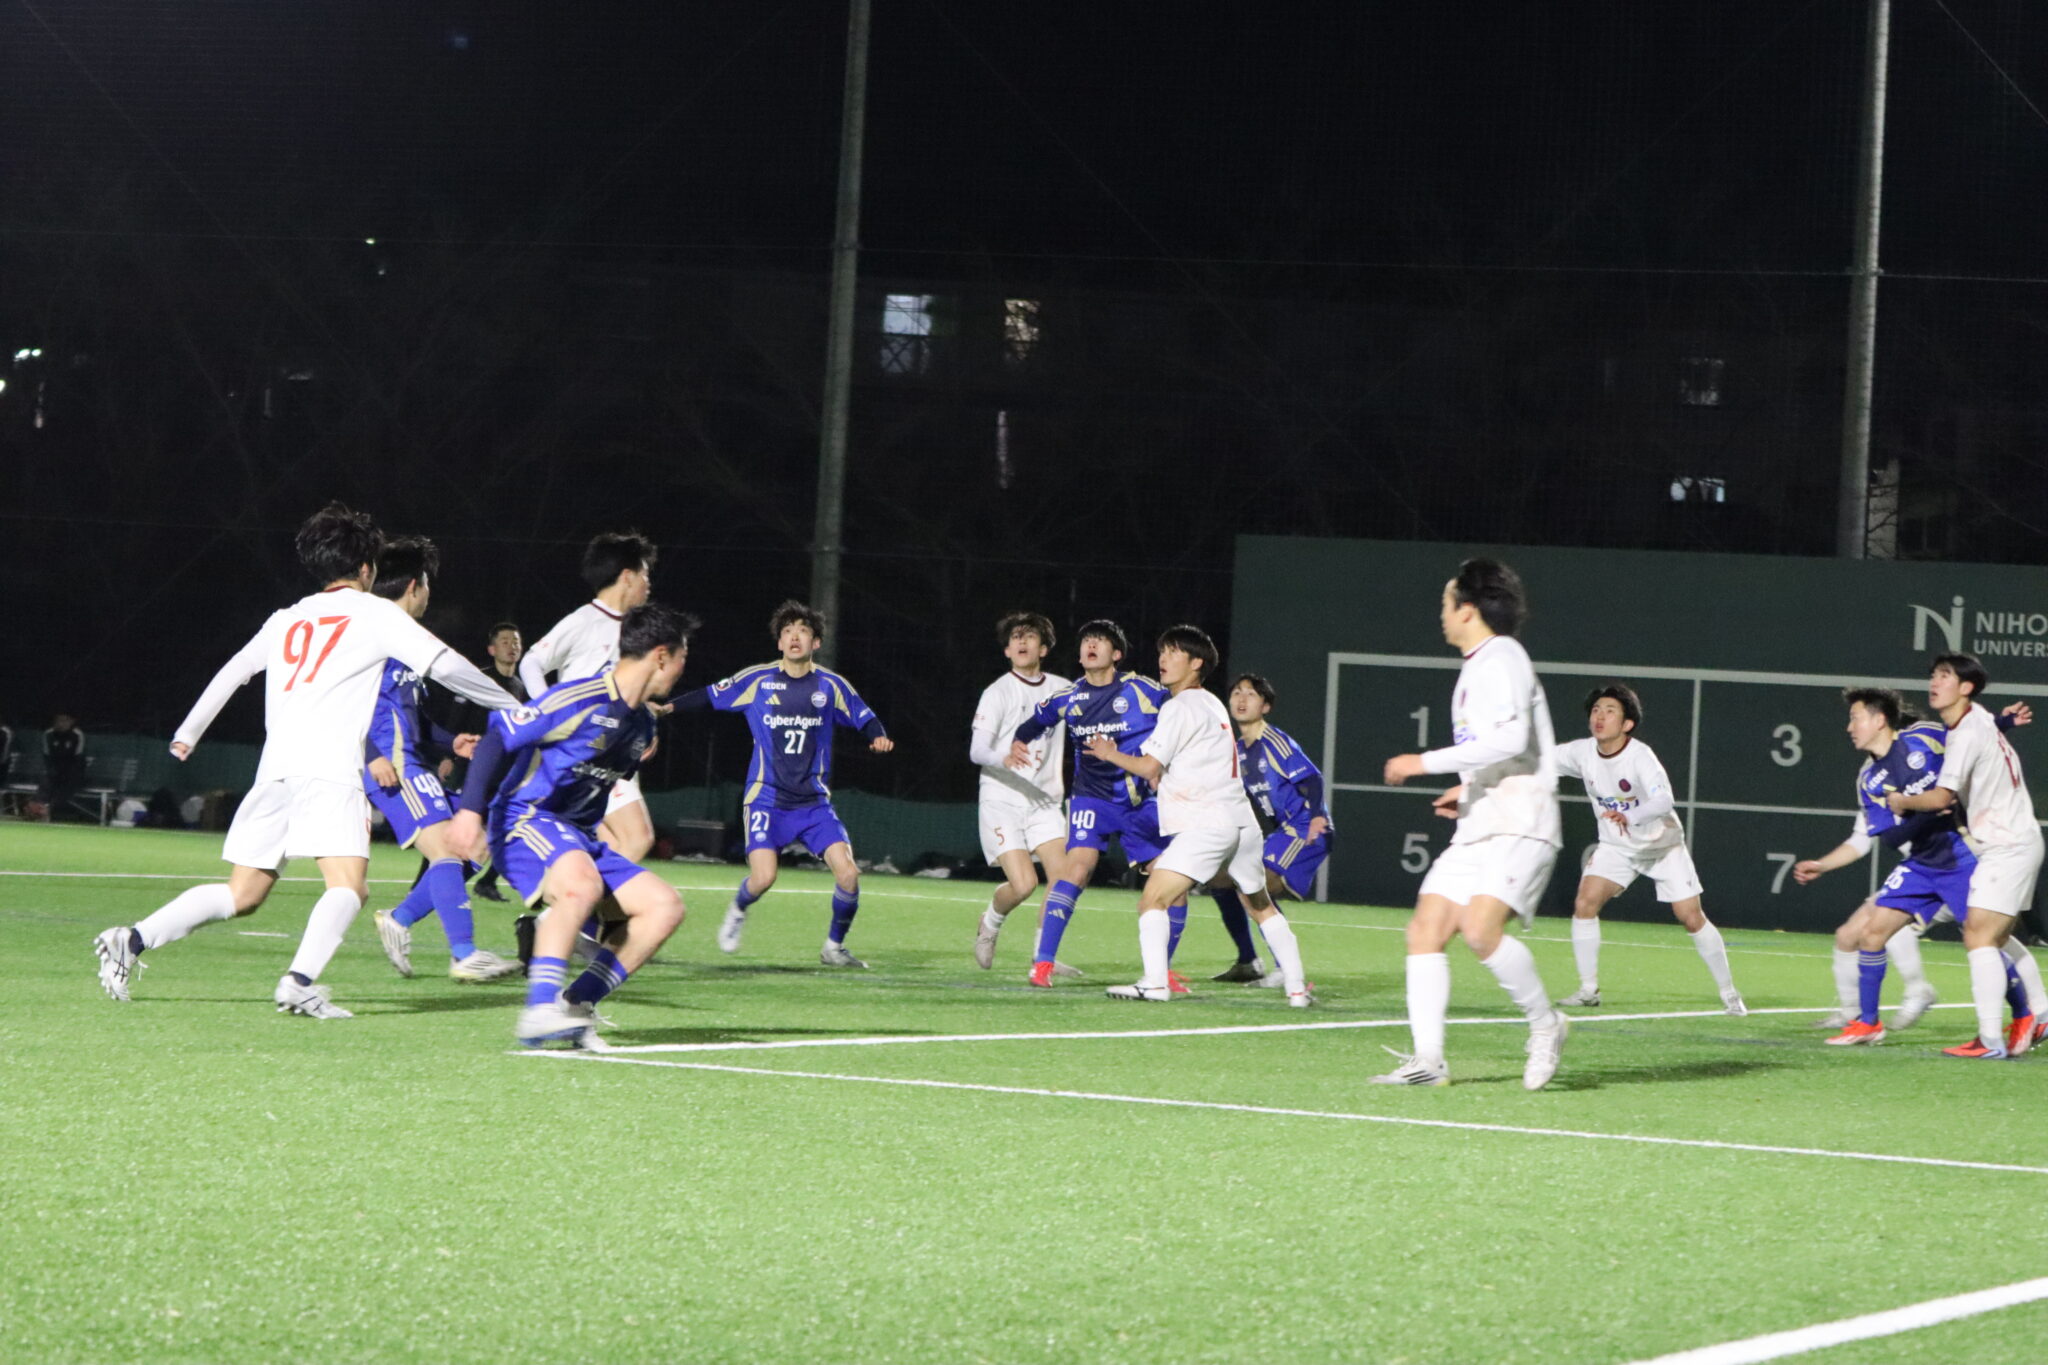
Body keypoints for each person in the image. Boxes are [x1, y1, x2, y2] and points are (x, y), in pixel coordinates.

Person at [92, 504, 517, 1017]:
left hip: (275, 770)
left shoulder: (287, 617)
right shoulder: (376, 613)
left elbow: (235, 670)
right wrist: (519, 709)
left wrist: (189, 732)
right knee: (349, 886)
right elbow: (446, 667)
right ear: (367, 568)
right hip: (329, 770)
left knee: (243, 893)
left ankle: (131, 939)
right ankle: (298, 984)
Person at [448, 603, 696, 1048]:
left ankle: (576, 1005)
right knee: (581, 886)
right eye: (682, 657)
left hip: (576, 835)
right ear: (661, 656)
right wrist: (470, 811)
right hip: (525, 819)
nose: (683, 668)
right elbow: (499, 735)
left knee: (664, 907)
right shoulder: (580, 698)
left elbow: (595, 790)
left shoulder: (640, 724)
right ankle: (538, 1010)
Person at [1376, 558, 1568, 1090]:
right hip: (1482, 820)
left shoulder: (1503, 656)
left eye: (1446, 602)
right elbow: (1507, 747)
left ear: (1467, 609)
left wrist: (1422, 762)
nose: (1441, 613)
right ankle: (1429, 1061)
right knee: (1425, 930)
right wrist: (1467, 788)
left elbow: (1511, 739)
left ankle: (1546, 1024)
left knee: (1481, 931)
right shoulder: (1480, 664)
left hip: (1522, 821)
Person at [1793, 687, 2035, 1047]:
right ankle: (1868, 1024)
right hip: (1921, 864)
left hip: (1961, 857)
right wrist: (1925, 810)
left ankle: (2024, 1016)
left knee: (1984, 943)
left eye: (1855, 718)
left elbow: (1968, 739)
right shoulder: (1869, 780)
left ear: (1879, 720)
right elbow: (1891, 837)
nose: (1849, 727)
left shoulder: (1922, 736)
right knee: (1871, 933)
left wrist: (2002, 722)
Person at [1085, 628, 1311, 1005]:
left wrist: (1110, 754)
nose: (1163, 659)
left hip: (1208, 824)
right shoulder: (1211, 703)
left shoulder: (1179, 706)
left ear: (1196, 664)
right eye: (1162, 651)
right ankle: (1297, 988)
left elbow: (1148, 765)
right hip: (1243, 824)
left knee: (1152, 900)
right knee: (1260, 906)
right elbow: (1188, 761)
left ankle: (1155, 984)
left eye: (1174, 652)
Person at [678, 600, 892, 967]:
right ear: (779, 642)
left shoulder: (830, 685)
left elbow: (864, 715)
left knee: (849, 874)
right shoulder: (758, 680)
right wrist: (667, 708)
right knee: (763, 878)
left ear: (816, 643)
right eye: (788, 631)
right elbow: (710, 695)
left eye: (803, 631)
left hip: (813, 804)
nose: (795, 637)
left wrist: (878, 735)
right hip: (767, 799)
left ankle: (833, 948)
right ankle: (738, 908)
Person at [353, 539, 521, 984]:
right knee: (448, 848)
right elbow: (342, 706)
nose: (429, 594)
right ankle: (464, 953)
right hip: (392, 765)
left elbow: (413, 719)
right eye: (427, 584)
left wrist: (452, 743)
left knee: (476, 847)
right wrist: (371, 755)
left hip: (414, 762)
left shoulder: (403, 642)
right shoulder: (372, 636)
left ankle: (400, 920)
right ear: (414, 586)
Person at [1885, 654, 2048, 1058]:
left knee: (1978, 935)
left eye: (1945, 676)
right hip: (2014, 842)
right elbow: (1988, 729)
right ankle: (2042, 1015)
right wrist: (2005, 721)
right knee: (1997, 936)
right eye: (1933, 675)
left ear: (1966, 687)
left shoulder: (1966, 733)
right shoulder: (1977, 718)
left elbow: (1941, 797)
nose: (1934, 682)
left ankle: (1990, 1040)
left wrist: (1902, 801)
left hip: (2007, 846)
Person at [1551, 684, 1745, 1014]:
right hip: (1617, 846)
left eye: (1610, 710)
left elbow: (1663, 800)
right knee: (1585, 902)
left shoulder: (1640, 756)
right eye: (1596, 710)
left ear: (1627, 723)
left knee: (1690, 917)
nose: (1600, 716)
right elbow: (1540, 759)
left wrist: (1629, 815)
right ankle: (1588, 990)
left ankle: (1729, 993)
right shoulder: (1582, 753)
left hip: (1662, 846)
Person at [1010, 620, 1176, 989]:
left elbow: (1180, 718)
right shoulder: (1068, 698)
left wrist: (1165, 763)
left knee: (1172, 880)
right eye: (1087, 640)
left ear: (1116, 654)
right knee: (1076, 870)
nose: (1091, 645)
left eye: (1100, 641)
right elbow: (1033, 724)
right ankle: (1043, 964)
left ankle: (1162, 972)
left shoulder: (1143, 689)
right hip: (1091, 799)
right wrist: (1019, 741)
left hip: (1140, 801)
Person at [519, 533, 659, 863]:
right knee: (637, 839)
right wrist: (551, 713)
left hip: (617, 752)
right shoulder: (585, 620)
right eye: (645, 574)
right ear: (627, 576)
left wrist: (645, 720)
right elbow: (531, 662)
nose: (648, 584)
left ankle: (571, 895)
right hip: (588, 752)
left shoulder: (635, 630)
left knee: (601, 846)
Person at [967, 612, 1071, 970]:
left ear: (1043, 648)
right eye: (1015, 638)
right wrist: (1004, 756)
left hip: (1044, 801)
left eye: (1030, 637)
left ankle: (1043, 957)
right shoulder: (998, 692)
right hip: (1003, 798)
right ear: (1007, 650)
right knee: (1024, 884)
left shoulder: (1062, 689)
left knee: (1063, 878)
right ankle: (990, 922)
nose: (1022, 642)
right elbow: (977, 751)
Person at [1212, 673, 1331, 984]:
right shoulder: (1237, 749)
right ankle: (1248, 961)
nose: (1241, 699)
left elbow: (1313, 778)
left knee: (1253, 885)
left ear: (1265, 706)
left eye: (1251, 694)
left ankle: (1285, 970)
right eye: (1236, 693)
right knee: (1220, 881)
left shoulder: (1274, 741)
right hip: (1282, 832)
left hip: (1304, 827)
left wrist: (1318, 816)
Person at [457, 621, 528, 904]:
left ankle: (486, 882)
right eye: (505, 641)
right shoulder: (481, 680)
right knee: (459, 831)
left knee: (509, 829)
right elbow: (461, 722)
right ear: (491, 649)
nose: (512, 646)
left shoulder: (520, 687)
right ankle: (426, 886)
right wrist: (449, 756)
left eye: (516, 641)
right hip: (475, 768)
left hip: (506, 771)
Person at [41, 713, 86, 821]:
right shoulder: (48, 734)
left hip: (72, 773)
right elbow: (47, 756)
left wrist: (67, 772)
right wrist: (52, 771)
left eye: (65, 720)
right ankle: (39, 807)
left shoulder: (77, 734)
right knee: (45, 782)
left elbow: (78, 758)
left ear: (71, 722)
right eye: (58, 720)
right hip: (54, 772)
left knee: (65, 786)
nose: (61, 723)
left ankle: (50, 810)